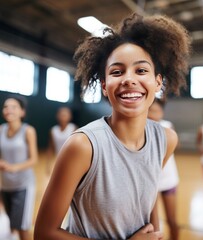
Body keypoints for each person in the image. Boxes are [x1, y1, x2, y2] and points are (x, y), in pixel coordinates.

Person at [34, 13, 191, 240]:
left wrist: (155, 233)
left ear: (158, 82)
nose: (129, 79)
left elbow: (148, 196)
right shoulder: (83, 146)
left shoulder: (167, 139)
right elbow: (43, 234)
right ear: (105, 87)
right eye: (117, 72)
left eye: (141, 70)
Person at [0, 95, 38, 240]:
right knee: (13, 226)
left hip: (24, 186)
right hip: (6, 186)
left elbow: (33, 159)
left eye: (14, 107)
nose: (9, 109)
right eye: (6, 106)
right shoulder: (1, 130)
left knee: (23, 229)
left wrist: (14, 167)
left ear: (22, 112)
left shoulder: (28, 131)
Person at [148, 98, 180, 240]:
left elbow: (174, 147)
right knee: (153, 226)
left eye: (157, 111)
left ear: (162, 113)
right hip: (149, 183)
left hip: (168, 179)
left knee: (172, 220)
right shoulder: (140, 127)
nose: (154, 114)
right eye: (151, 110)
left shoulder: (167, 127)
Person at [46, 107, 77, 174]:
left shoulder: (73, 128)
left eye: (65, 115)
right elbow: (50, 148)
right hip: (59, 161)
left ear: (70, 116)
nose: (63, 117)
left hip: (72, 161)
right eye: (61, 114)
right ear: (57, 116)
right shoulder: (53, 130)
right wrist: (48, 165)